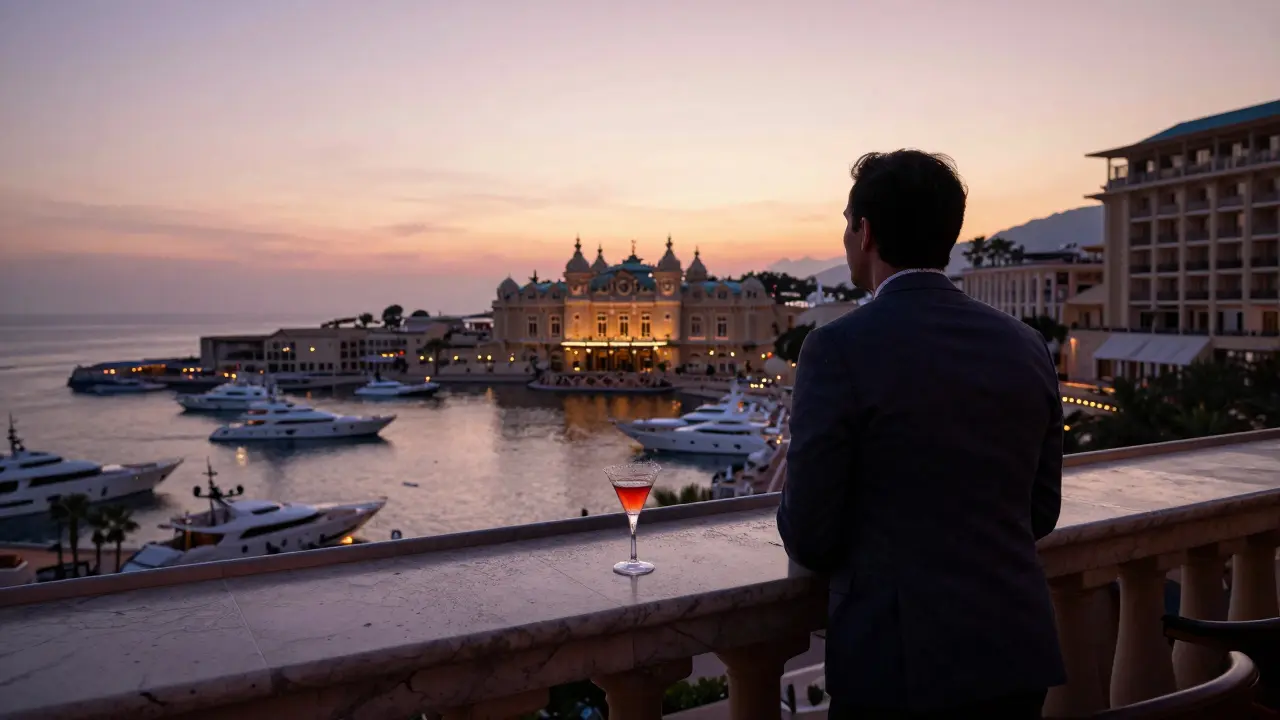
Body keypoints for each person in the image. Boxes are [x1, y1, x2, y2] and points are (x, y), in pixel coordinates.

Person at [777, 150, 1064, 719]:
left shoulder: (836, 348)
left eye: (846, 223)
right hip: (1015, 651)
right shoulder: (1026, 343)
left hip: (898, 665)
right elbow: (1041, 510)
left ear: (866, 232)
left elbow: (809, 534)